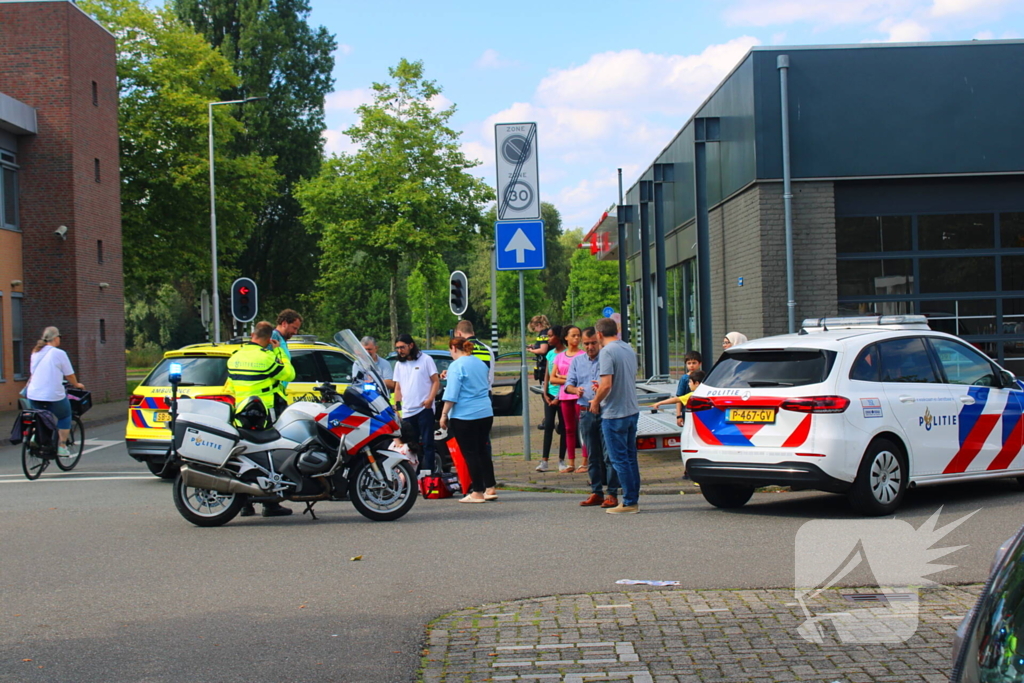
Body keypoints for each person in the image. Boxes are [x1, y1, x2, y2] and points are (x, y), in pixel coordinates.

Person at [227, 321, 295, 518]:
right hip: (263, 414)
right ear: (269, 339)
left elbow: (230, 386)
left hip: (240, 414)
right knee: (268, 458)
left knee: (244, 456)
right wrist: (279, 351)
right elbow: (289, 374)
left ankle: (244, 504)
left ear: (252, 335)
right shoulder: (267, 357)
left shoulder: (235, 357)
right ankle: (270, 504)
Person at [591, 317, 641, 514]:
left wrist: (595, 401)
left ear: (599, 334)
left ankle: (629, 502)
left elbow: (607, 385)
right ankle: (633, 498)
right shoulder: (628, 348)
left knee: (619, 460)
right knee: (630, 458)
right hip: (631, 409)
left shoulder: (607, 351)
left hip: (614, 413)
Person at [566, 327, 620, 508]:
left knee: (609, 455)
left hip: (605, 411)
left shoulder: (607, 358)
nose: (590, 347)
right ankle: (596, 492)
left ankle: (612, 493)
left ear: (599, 341)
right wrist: (575, 390)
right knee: (592, 455)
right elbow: (568, 385)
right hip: (586, 412)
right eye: (586, 344)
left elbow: (612, 383)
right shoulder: (577, 361)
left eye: (593, 343)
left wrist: (601, 389)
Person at [439, 338, 496, 503]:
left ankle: (477, 491)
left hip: (465, 415)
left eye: (450, 350)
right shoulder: (480, 363)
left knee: (470, 453)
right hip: (485, 412)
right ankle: (490, 487)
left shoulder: (456, 365)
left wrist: (444, 414)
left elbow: (452, 393)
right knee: (482, 450)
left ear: (454, 348)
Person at [25, 326, 85, 457]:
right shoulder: (59, 353)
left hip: (33, 394)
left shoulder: (35, 352)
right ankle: (62, 446)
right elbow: (69, 375)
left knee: (39, 417)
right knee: (65, 415)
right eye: (59, 337)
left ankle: (35, 436)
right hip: (53, 394)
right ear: (56, 338)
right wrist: (77, 384)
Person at [393, 334, 440, 473]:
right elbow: (398, 387)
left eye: (402, 347)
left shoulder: (426, 360)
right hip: (407, 411)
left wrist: (430, 399)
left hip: (424, 408)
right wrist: (398, 408)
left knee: (427, 443)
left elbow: (435, 381)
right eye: (397, 348)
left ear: (411, 345)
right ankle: (414, 473)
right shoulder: (399, 364)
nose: (400, 351)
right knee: (410, 444)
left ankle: (429, 473)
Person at [550, 325, 586, 474]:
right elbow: (552, 379)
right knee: (569, 429)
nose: (577, 338)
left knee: (583, 428)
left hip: (580, 396)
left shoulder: (583, 355)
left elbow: (583, 378)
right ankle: (571, 462)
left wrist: (563, 377)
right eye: (573, 335)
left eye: (578, 335)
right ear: (566, 337)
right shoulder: (559, 357)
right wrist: (569, 379)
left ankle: (585, 461)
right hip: (565, 396)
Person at [535, 325, 566, 473]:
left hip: (563, 396)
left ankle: (562, 460)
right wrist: (545, 393)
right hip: (550, 395)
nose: (548, 339)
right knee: (548, 425)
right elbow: (547, 374)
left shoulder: (566, 354)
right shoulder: (550, 354)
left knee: (563, 427)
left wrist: (559, 397)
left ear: (558, 337)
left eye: (550, 336)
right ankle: (544, 460)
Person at [454, 320, 494, 387]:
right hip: (486, 390)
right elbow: (490, 376)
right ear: (473, 333)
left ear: (459, 334)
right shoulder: (487, 349)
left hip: (468, 391)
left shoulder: (462, 350)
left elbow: (459, 376)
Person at [528, 315, 551, 428]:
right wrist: (534, 346)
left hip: (544, 367)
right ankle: (548, 418)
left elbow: (543, 350)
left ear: (539, 324)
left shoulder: (543, 334)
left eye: (534, 328)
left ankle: (548, 419)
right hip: (546, 366)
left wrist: (531, 350)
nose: (534, 330)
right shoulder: (547, 333)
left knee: (545, 392)